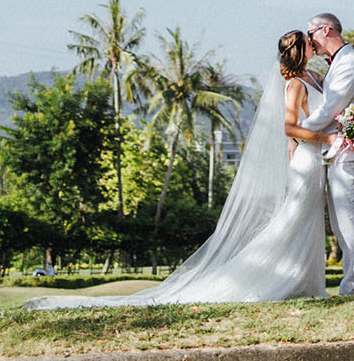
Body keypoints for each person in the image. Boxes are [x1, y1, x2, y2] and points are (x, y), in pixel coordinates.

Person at [24, 30, 337, 309]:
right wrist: (328, 137)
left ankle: (308, 283)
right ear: (300, 50)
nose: (314, 43)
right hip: (308, 158)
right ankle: (278, 279)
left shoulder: (312, 77)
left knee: (307, 221)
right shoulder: (294, 84)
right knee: (295, 220)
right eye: (309, 42)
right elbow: (289, 128)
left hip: (315, 158)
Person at [301, 12, 354, 295]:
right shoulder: (339, 63)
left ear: (326, 30)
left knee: (350, 222)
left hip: (350, 154)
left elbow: (329, 109)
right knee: (342, 224)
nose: (310, 41)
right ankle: (351, 285)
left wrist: (297, 132)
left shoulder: (348, 64)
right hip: (340, 152)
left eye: (310, 34)